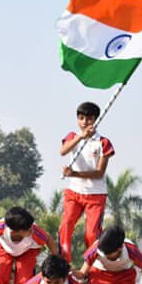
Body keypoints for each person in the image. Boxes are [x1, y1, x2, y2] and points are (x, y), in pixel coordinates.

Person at [58, 101, 115, 262]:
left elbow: (99, 173)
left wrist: (74, 173)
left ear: (96, 120)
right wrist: (80, 138)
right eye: (81, 118)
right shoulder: (72, 137)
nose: (84, 122)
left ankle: (90, 265)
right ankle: (65, 261)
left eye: (89, 119)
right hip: (74, 192)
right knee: (66, 226)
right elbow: (63, 151)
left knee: (91, 233)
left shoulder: (103, 143)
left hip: (95, 195)